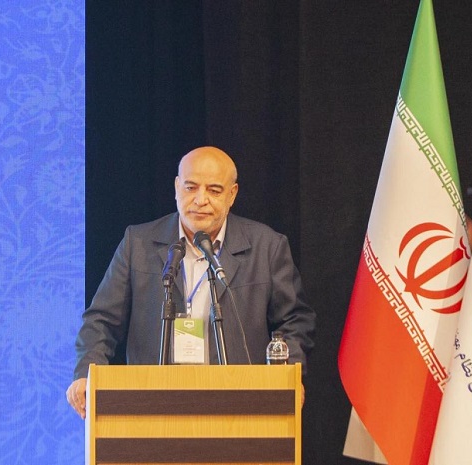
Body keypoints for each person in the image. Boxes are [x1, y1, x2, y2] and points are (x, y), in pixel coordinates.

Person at [66, 146, 316, 418]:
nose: (200, 200)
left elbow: (295, 320)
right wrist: (86, 372)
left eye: (214, 190)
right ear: (177, 188)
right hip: (154, 404)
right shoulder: (138, 244)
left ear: (232, 194)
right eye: (191, 187)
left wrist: (287, 375)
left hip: (239, 405)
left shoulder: (266, 246)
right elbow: (101, 320)